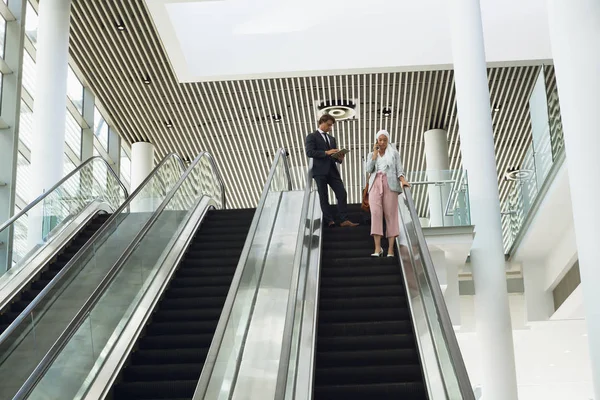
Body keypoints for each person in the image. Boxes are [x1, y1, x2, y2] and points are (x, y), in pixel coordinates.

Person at [305, 114, 358, 228]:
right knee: (324, 196)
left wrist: (339, 158)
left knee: (342, 193)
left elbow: (333, 157)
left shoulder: (332, 139)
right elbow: (309, 152)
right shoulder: (312, 136)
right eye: (328, 125)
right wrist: (326, 152)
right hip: (319, 171)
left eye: (331, 126)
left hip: (332, 170)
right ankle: (329, 221)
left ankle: (343, 220)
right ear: (321, 122)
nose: (330, 128)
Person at [366, 130, 410, 257]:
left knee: (391, 215)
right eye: (380, 140)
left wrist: (403, 181)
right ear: (376, 141)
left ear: (388, 140)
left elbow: (399, 170)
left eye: (385, 140)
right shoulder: (371, 154)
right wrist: (374, 154)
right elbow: (368, 169)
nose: (383, 142)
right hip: (375, 184)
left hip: (390, 185)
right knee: (375, 214)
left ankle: (391, 249)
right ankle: (378, 248)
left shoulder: (394, 154)